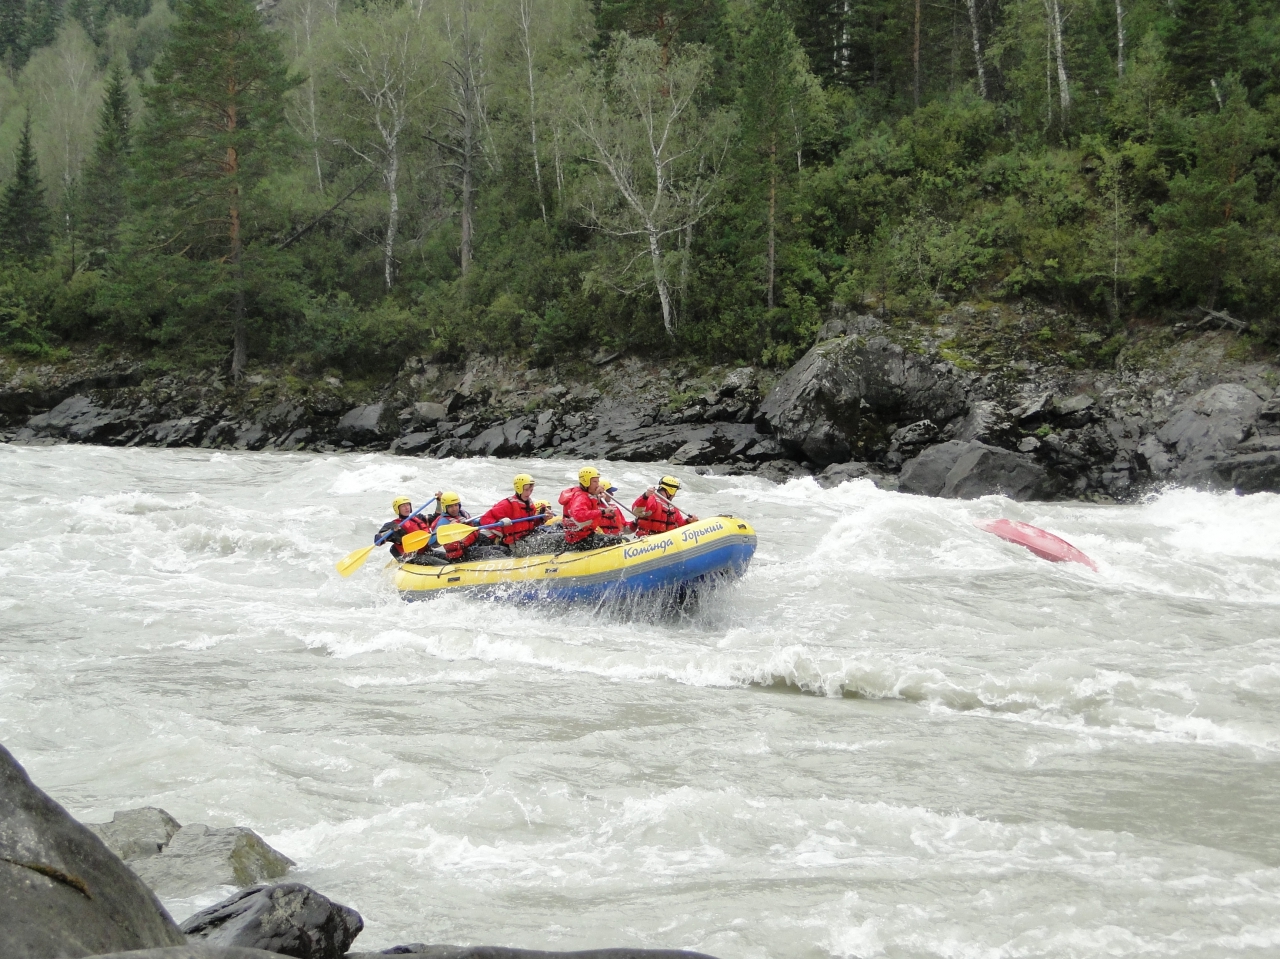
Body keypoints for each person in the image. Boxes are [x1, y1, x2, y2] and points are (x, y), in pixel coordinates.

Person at [558, 466, 624, 551]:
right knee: (618, 540)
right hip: (580, 539)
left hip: (582, 536)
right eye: (594, 481)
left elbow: (589, 507)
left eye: (598, 481)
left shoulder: (584, 494)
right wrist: (603, 511)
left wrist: (596, 497)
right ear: (586, 482)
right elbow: (579, 515)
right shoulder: (581, 497)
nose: (598, 484)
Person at [480, 473, 552, 547]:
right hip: (514, 543)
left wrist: (542, 518)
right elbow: (484, 519)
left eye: (531, 490)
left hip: (527, 539)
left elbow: (532, 524)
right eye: (526, 490)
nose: (529, 493)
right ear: (519, 488)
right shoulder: (506, 504)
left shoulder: (529, 504)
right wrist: (499, 523)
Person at [632, 475, 698, 536]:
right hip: (648, 538)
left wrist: (688, 521)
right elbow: (636, 511)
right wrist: (645, 496)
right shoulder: (652, 499)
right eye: (675, 491)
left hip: (666, 540)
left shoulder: (672, 507)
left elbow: (679, 525)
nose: (674, 495)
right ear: (671, 490)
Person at [430, 491, 477, 562]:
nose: (454, 508)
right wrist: (448, 529)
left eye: (456, 505)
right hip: (458, 557)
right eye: (450, 506)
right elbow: (431, 543)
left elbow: (475, 523)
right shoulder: (443, 521)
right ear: (445, 508)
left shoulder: (463, 514)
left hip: (471, 548)